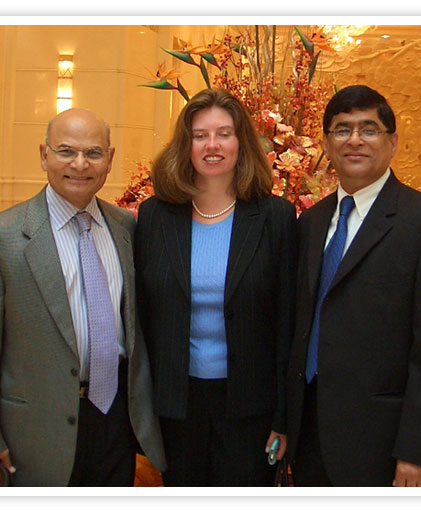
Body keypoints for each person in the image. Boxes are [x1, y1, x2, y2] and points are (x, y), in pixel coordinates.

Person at [0, 108, 166, 486]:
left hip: (115, 419)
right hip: (37, 429)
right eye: (66, 151)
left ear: (110, 159)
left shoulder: (125, 227)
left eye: (94, 153)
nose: (80, 164)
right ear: (44, 155)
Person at [285, 85, 421, 487]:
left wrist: (419, 450)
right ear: (326, 145)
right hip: (309, 431)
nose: (354, 140)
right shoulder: (310, 223)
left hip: (379, 437)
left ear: (393, 143)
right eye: (342, 130)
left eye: (369, 130)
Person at [134, 89, 297, 486]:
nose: (212, 145)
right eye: (200, 135)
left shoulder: (275, 217)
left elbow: (288, 324)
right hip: (175, 404)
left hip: (251, 406)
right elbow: (142, 317)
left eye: (224, 133)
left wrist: (284, 417)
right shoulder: (155, 216)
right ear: (185, 145)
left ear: (242, 142)